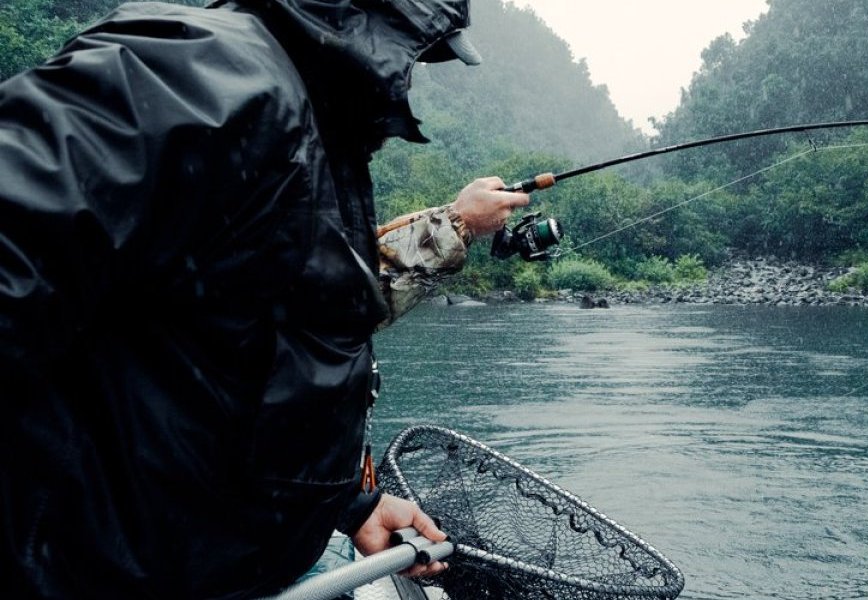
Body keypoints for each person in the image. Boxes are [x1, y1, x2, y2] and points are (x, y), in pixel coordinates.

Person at [0, 0, 528, 597]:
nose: (412, 78)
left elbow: (245, 353)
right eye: (419, 55)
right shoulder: (194, 69)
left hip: (207, 571)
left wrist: (350, 504)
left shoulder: (311, 130)